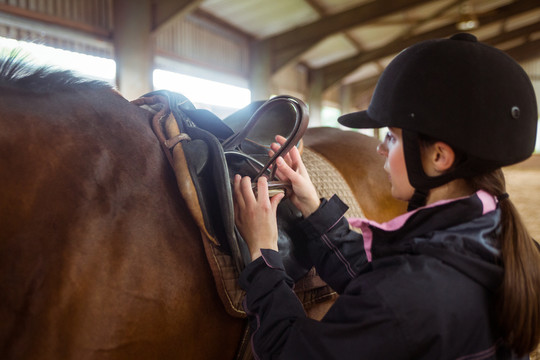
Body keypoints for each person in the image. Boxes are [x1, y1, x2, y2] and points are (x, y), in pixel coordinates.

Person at [233, 33, 540, 359]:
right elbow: (378, 279)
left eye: (392, 138)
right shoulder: (490, 241)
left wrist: (262, 254)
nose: (380, 148)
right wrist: (314, 209)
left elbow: (290, 351)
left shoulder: (406, 298)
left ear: (439, 158)